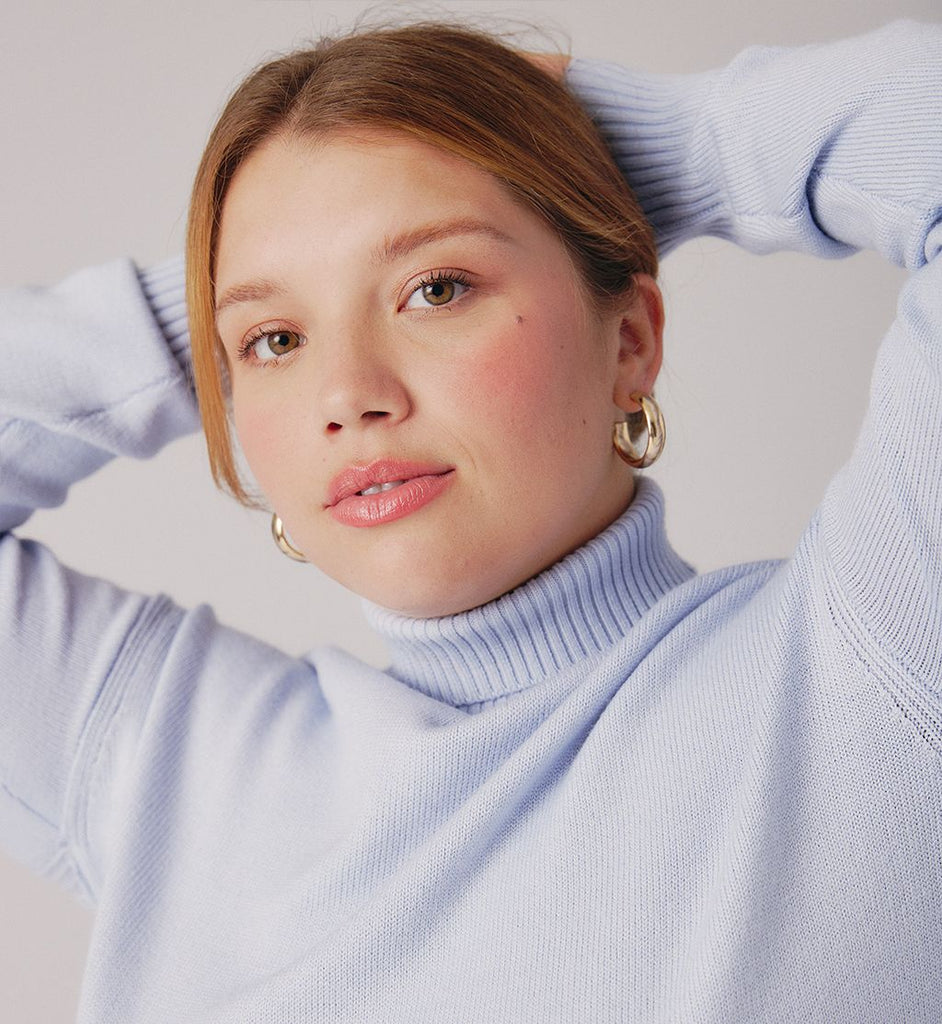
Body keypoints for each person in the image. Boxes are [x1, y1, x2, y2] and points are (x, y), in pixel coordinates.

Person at [1, 17, 939, 1023]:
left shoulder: (868, 662)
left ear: (631, 341)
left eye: (435, 287)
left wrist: (658, 145)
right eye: (275, 341)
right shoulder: (167, 762)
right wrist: (202, 289)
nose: (347, 393)